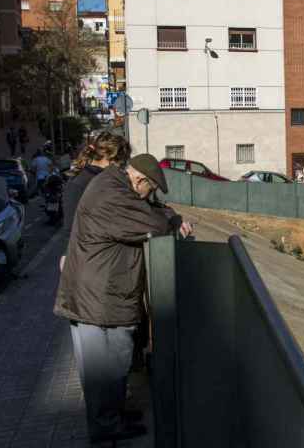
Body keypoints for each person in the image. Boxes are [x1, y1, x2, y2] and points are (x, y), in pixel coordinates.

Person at [54, 154, 191, 444]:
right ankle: (105, 428)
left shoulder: (114, 184)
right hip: (97, 299)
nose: (148, 196)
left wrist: (165, 212)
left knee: (111, 366)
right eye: (150, 190)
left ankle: (111, 417)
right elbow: (152, 221)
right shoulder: (113, 197)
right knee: (104, 370)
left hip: (99, 295)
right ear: (140, 180)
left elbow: (151, 209)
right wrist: (172, 218)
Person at [60, 133, 131, 271]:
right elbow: (71, 227)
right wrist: (67, 256)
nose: (122, 168)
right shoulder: (84, 182)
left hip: (97, 257)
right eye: (122, 162)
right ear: (111, 159)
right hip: (88, 260)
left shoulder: (97, 178)